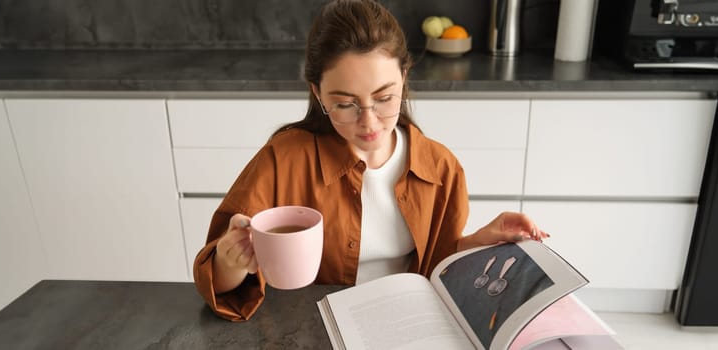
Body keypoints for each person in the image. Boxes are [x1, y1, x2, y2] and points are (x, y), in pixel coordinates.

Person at [193, 0, 549, 322]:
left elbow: (437, 265)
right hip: (308, 331)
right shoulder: (282, 160)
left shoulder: (441, 168)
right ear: (317, 93)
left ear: (404, 79)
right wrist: (230, 261)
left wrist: (480, 240)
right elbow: (217, 285)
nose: (369, 121)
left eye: (384, 98)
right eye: (346, 104)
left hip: (407, 327)